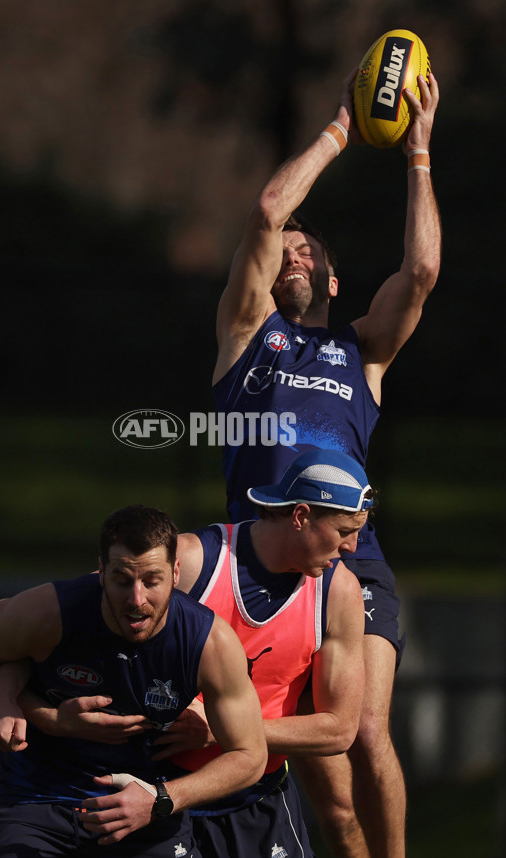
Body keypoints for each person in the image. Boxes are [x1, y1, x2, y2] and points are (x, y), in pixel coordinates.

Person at [212, 68, 441, 858]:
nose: (295, 254)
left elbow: (421, 276)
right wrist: (342, 128)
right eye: (287, 255)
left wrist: (418, 152)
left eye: (311, 253)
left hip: (350, 559)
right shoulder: (249, 334)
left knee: (368, 730)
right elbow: (271, 211)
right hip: (264, 569)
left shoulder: (361, 353)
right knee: (330, 800)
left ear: (337, 281)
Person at [0, 447, 372, 858]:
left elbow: (339, 728)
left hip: (253, 797)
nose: (353, 546)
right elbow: (56, 624)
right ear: (302, 516)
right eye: (344, 531)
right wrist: (4, 694)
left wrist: (223, 728)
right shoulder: (195, 560)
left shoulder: (338, 592)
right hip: (151, 795)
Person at [0, 504, 267, 858]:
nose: (136, 600)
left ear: (176, 573)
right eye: (122, 580)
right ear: (101, 571)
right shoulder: (50, 611)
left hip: (144, 810)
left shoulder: (209, 642)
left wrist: (161, 799)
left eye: (152, 581)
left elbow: (250, 756)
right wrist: (37, 714)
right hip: (37, 802)